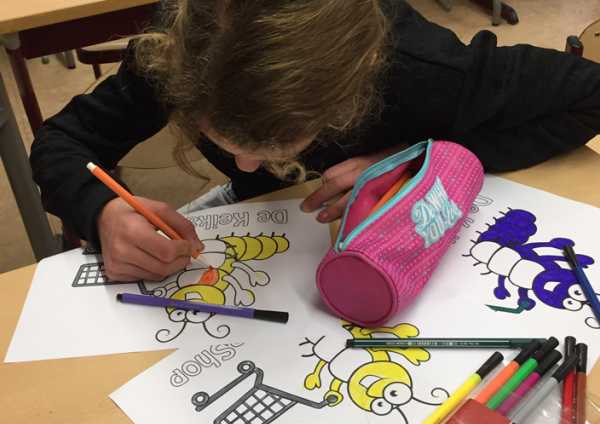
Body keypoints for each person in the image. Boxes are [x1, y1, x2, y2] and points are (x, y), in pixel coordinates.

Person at [30, 0, 600, 282]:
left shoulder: (423, 69)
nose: (245, 163)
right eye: (217, 137)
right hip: (262, 215)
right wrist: (100, 209)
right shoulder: (184, 52)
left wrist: (418, 161)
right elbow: (61, 140)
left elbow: (588, 95)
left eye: (278, 143)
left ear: (355, 91)